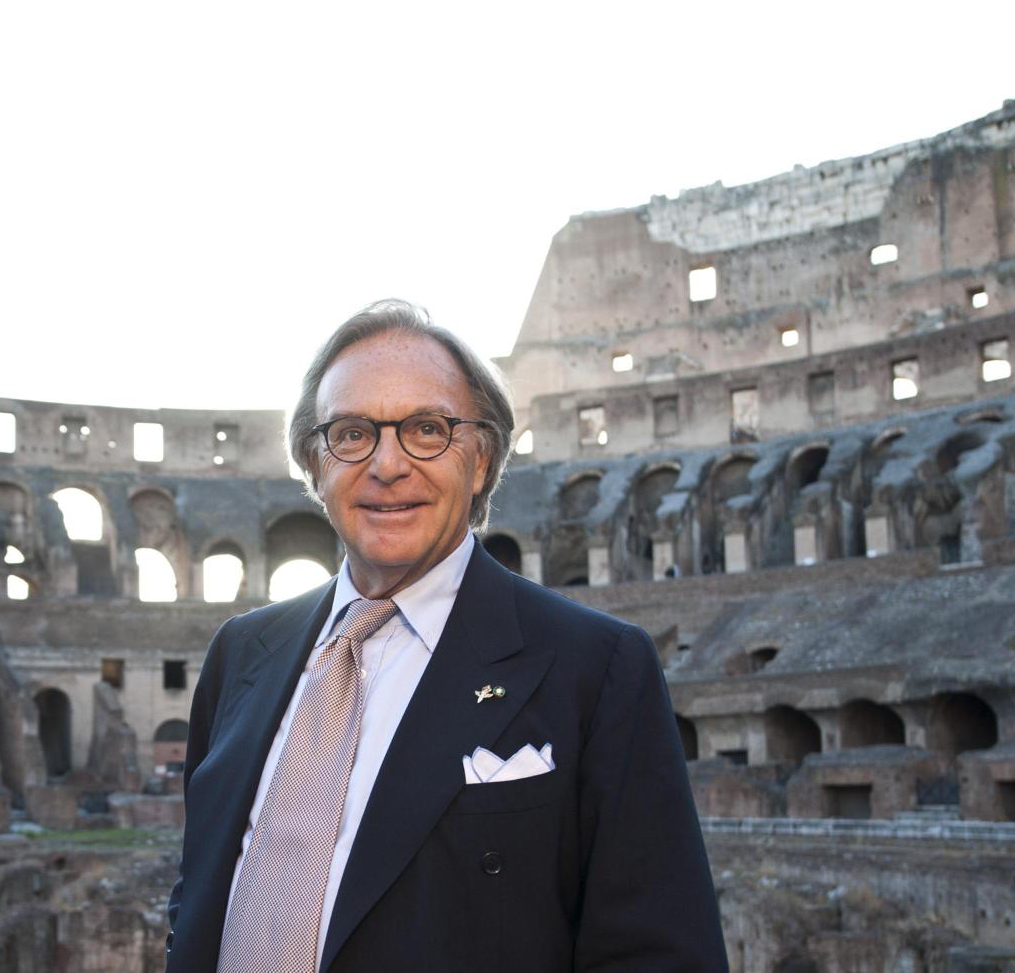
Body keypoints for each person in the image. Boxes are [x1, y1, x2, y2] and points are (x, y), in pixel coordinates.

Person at [166, 300, 727, 972]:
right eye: (350, 434)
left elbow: (658, 955)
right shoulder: (240, 654)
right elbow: (200, 893)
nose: (387, 464)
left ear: (482, 461)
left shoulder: (598, 668)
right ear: (315, 466)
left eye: (427, 430)